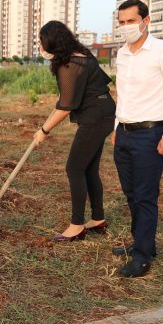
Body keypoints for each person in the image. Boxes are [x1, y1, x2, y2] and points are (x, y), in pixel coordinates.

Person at [112, 0, 163, 277]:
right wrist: (116, 127)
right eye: (121, 22)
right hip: (125, 133)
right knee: (131, 193)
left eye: (131, 21)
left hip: (151, 133)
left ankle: (142, 257)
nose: (125, 27)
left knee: (145, 196)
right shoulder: (122, 54)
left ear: (146, 21)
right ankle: (142, 243)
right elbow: (124, 94)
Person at [32, 21, 116, 242]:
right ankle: (98, 219)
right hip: (104, 113)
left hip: (95, 117)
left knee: (74, 168)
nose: (41, 49)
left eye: (42, 44)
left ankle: (77, 225)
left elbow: (66, 105)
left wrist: (44, 130)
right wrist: (45, 123)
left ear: (52, 43)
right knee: (88, 169)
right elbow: (63, 100)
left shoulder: (69, 65)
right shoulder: (80, 55)